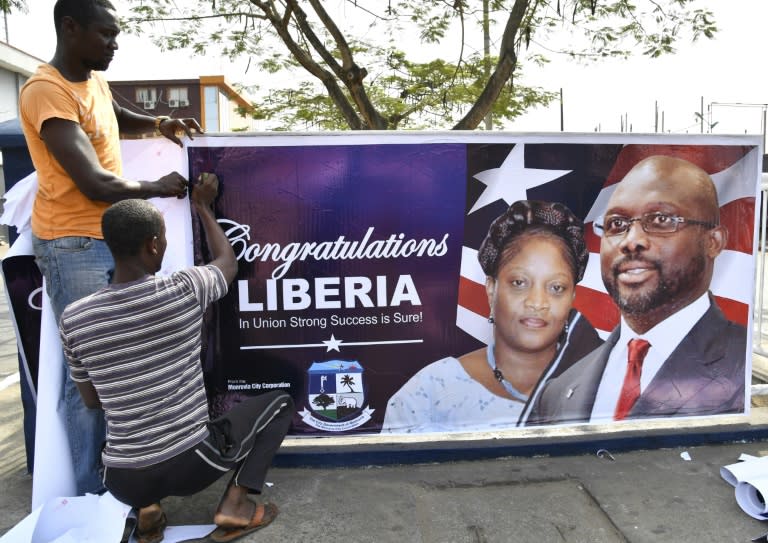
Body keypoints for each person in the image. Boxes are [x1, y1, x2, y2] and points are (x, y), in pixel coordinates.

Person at [19, 0, 203, 495]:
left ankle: (121, 487)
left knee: (127, 367)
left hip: (107, 239)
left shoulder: (90, 80)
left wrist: (159, 122)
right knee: (90, 386)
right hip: (74, 245)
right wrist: (159, 187)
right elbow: (95, 183)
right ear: (70, 28)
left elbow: (117, 115)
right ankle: (89, 497)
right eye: (106, 35)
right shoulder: (46, 91)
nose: (115, 44)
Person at [59, 172, 294, 543]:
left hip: (122, 479)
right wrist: (202, 205)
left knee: (126, 446)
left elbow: (92, 401)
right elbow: (227, 264)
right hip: (192, 466)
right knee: (280, 403)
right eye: (164, 239)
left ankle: (148, 510)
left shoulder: (74, 318)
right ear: (154, 244)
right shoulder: (181, 289)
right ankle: (236, 504)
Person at [530, 155, 747, 425]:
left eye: (660, 220)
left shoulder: (744, 365)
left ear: (713, 242)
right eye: (617, 224)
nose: (631, 241)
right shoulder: (557, 392)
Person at [382, 200, 603, 433]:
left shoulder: (604, 382)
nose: (537, 302)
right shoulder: (429, 393)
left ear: (572, 297)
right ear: (491, 288)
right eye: (519, 283)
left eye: (556, 287)